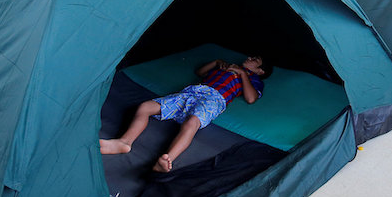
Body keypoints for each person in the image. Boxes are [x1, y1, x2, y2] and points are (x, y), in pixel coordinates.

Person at [100, 56, 270, 172]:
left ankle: (167, 159)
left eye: (255, 60)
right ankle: (124, 142)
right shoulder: (228, 66)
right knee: (145, 107)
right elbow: (201, 73)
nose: (249, 58)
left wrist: (241, 73)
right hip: (192, 91)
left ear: (260, 71)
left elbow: (250, 98)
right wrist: (217, 62)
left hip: (215, 99)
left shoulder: (253, 79)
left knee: (192, 123)